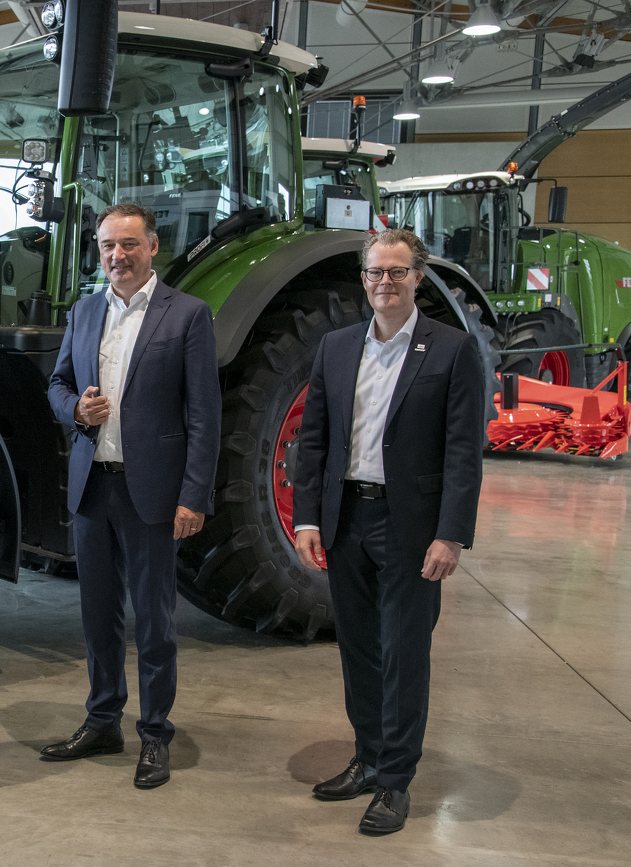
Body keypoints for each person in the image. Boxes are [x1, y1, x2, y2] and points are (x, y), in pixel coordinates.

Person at [292, 228, 484, 835]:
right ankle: (368, 759)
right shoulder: (337, 347)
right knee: (360, 652)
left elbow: (463, 452)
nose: (385, 283)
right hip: (347, 519)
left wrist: (450, 534)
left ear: (418, 278)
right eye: (376, 272)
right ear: (365, 279)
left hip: (412, 527)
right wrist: (307, 516)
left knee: (405, 654)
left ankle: (396, 781)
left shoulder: (451, 350)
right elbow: (313, 439)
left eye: (397, 272)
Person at [45, 203, 220, 789]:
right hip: (93, 485)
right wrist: (74, 409)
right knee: (97, 617)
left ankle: (155, 733)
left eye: (128, 245)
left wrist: (194, 496)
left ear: (152, 247)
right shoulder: (85, 310)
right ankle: (101, 721)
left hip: (153, 492)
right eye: (107, 247)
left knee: (154, 622)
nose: (117, 256)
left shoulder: (188, 315)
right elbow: (58, 381)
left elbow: (204, 415)